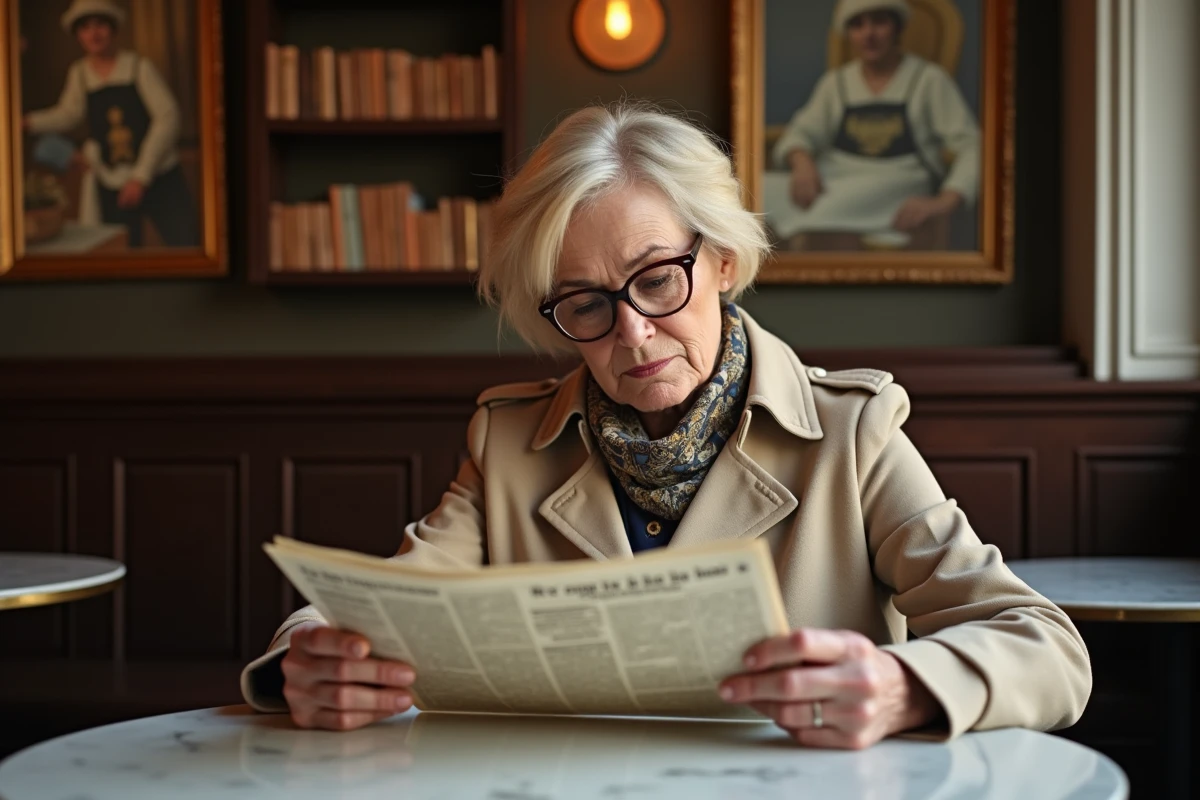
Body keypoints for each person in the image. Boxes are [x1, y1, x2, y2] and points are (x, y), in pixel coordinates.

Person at [241, 102, 1090, 749]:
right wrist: (308, 664)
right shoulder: (508, 444)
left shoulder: (850, 433)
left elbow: (1047, 646)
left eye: (656, 280)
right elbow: (381, 609)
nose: (633, 333)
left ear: (721, 260)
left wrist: (901, 686)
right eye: (586, 303)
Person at [765, 0, 979, 242]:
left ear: (897, 27)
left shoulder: (928, 79)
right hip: (833, 181)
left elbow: (973, 146)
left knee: (852, 199)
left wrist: (945, 201)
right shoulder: (836, 82)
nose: (869, 34)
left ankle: (811, 223)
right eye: (857, 25)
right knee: (758, 188)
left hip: (894, 185)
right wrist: (802, 163)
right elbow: (801, 132)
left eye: (879, 22)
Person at [23, 0, 199, 247]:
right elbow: (69, 114)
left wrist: (141, 177)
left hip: (159, 175)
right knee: (121, 247)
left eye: (100, 25)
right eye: (85, 28)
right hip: (112, 179)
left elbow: (168, 118)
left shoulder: (139, 67)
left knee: (185, 241)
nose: (94, 34)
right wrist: (27, 122)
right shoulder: (80, 73)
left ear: (113, 29)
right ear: (78, 35)